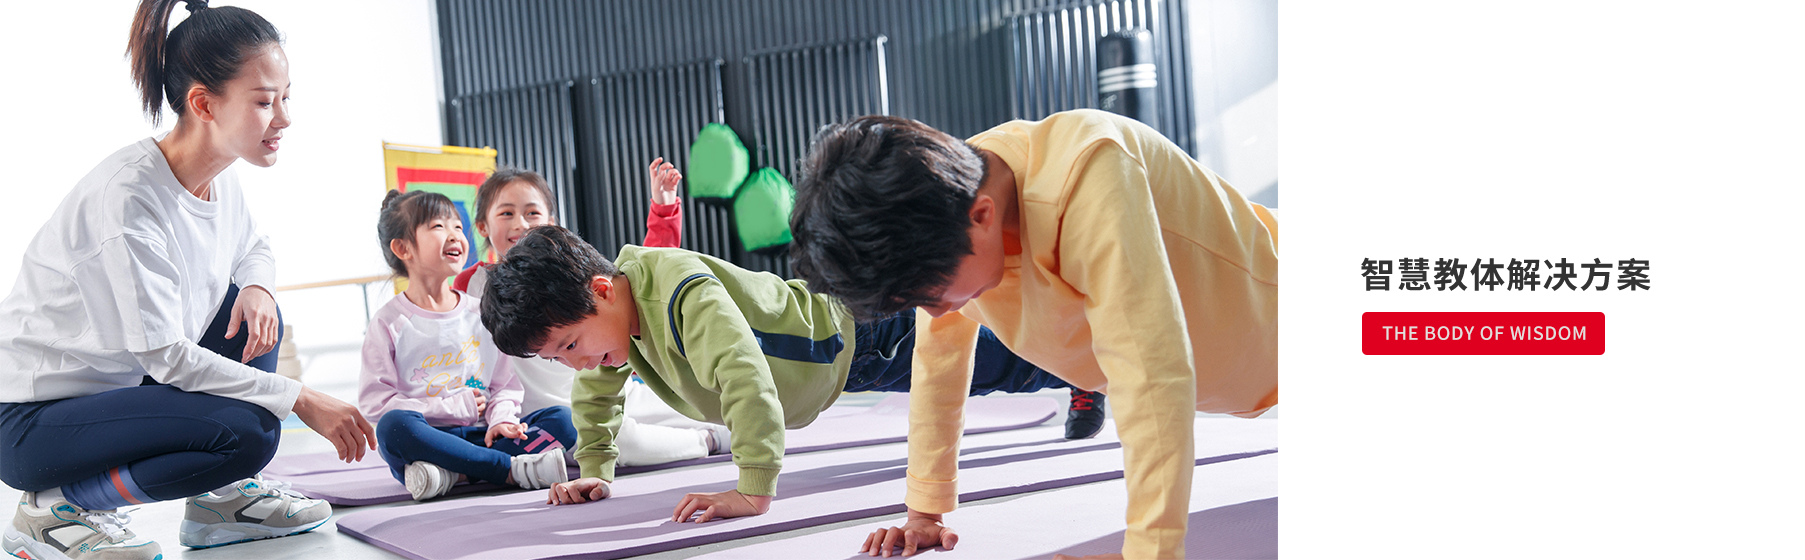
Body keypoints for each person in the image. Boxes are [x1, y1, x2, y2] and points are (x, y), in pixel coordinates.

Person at [786, 109, 1279, 559]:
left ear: (982, 217)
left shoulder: (1090, 173)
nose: (934, 313)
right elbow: (938, 366)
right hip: (1238, 373)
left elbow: (1150, 371)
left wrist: (1151, 552)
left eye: (931, 294)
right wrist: (924, 513)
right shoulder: (946, 202)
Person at [0, 0, 374, 556]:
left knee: (252, 309)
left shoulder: (220, 176)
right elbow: (166, 357)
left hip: (125, 390)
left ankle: (220, 502)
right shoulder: (129, 199)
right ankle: (57, 507)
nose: (284, 118)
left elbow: (254, 245)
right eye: (265, 102)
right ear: (203, 103)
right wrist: (300, 397)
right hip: (36, 423)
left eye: (286, 97)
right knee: (248, 433)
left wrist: (258, 286)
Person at [478, 226, 1083, 522]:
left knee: (988, 363)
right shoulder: (611, 333)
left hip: (857, 333)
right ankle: (1072, 359)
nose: (576, 362)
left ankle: (1087, 364)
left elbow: (744, 376)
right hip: (834, 371)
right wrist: (596, 468)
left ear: (603, 290)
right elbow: (595, 394)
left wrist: (753, 487)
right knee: (981, 365)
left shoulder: (682, 292)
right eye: (557, 358)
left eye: (571, 344)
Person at [455, 162, 730, 468]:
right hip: (550, 414)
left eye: (532, 213)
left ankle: (722, 432)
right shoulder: (471, 286)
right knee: (611, 440)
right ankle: (708, 440)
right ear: (482, 226)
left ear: (550, 222)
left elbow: (636, 286)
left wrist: (663, 211)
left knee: (705, 406)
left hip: (608, 387)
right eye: (506, 213)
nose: (520, 223)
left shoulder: (565, 275)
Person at [360, 190, 574, 501]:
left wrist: (502, 420)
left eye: (458, 226)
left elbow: (505, 385)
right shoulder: (388, 322)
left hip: (486, 436)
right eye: (438, 226)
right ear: (403, 248)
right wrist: (448, 408)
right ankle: (509, 470)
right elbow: (376, 405)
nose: (454, 235)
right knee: (393, 428)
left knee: (564, 420)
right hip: (430, 440)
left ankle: (454, 474)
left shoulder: (481, 312)